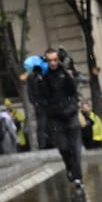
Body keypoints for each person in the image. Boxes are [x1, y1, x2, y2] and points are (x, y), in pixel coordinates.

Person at [29, 49, 84, 188]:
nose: (53, 63)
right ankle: (69, 167)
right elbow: (37, 98)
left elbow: (73, 94)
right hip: (55, 118)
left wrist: (72, 108)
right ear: (45, 61)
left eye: (55, 60)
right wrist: (38, 80)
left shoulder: (65, 73)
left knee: (75, 148)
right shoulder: (41, 77)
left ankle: (78, 177)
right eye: (50, 60)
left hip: (70, 116)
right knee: (64, 148)